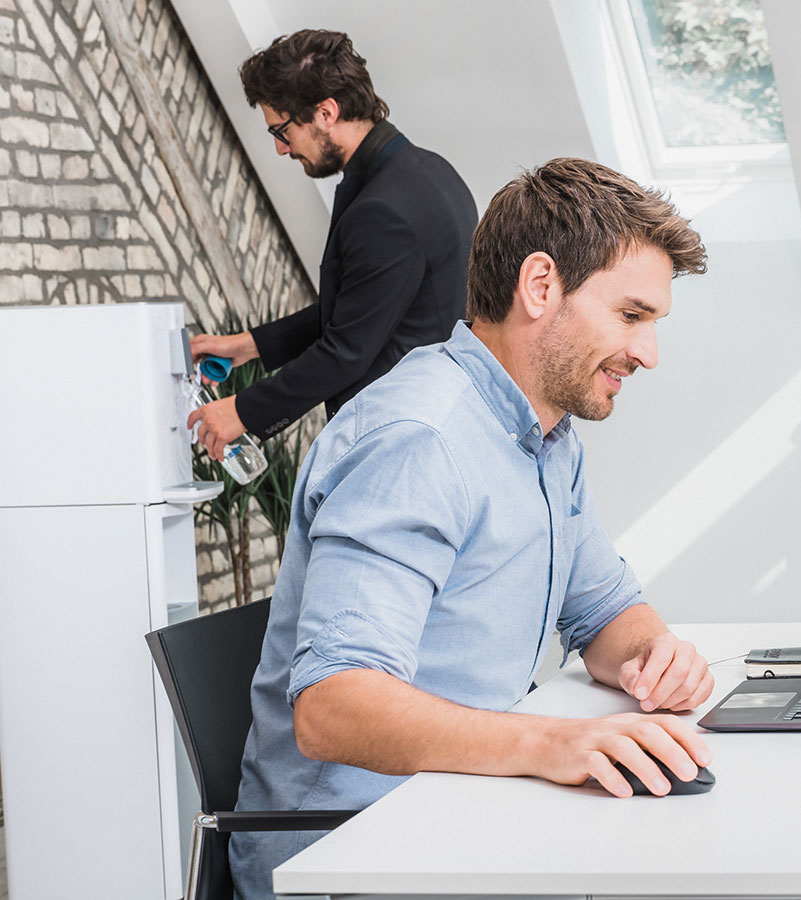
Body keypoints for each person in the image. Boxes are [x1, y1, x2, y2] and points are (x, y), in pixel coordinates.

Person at [227, 157, 712, 899]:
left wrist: (654, 653)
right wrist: (552, 743)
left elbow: (602, 610)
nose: (648, 354)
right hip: (349, 852)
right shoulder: (421, 438)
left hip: (458, 809)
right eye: (631, 316)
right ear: (540, 285)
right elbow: (334, 706)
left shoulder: (547, 436)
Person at [187, 29, 477, 455]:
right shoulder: (430, 172)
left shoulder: (383, 210)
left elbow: (347, 351)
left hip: (396, 443)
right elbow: (362, 306)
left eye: (282, 130)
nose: (281, 149)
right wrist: (249, 345)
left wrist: (242, 411)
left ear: (326, 112)